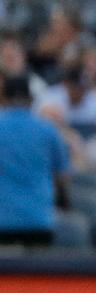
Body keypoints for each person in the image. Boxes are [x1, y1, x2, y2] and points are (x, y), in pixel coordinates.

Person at [0, 76, 69, 246]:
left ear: (4, 98)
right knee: (38, 271)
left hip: (3, 219)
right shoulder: (47, 129)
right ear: (31, 99)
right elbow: (62, 174)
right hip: (38, 217)